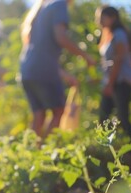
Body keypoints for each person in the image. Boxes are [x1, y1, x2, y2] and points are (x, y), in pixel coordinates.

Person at [20, 0, 96, 138]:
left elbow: (41, 53)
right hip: (42, 68)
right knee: (58, 110)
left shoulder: (41, 9)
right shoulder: (59, 4)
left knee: (39, 113)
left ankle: (32, 151)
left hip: (27, 68)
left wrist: (66, 76)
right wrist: (86, 56)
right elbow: (61, 37)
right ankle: (45, 151)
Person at [95, 5, 131, 140]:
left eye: (102, 17)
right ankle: (108, 150)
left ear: (112, 18)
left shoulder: (118, 34)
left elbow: (118, 61)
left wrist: (110, 84)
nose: (99, 20)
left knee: (122, 117)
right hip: (112, 82)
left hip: (121, 82)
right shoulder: (108, 35)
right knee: (104, 117)